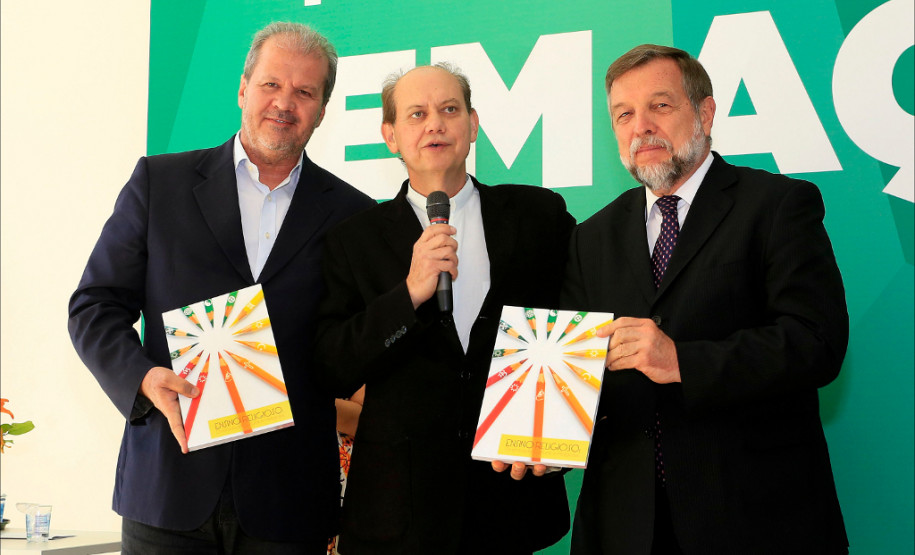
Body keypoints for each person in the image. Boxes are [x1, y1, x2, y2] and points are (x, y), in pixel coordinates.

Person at [68, 22, 375, 554]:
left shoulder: (354, 217)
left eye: (305, 92)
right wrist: (141, 379)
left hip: (289, 500)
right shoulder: (158, 183)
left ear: (323, 110)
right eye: (271, 84)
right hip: (168, 487)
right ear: (242, 88)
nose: (284, 103)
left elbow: (359, 344)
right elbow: (94, 305)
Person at [559, 44, 849, 554]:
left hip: (755, 520)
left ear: (706, 112)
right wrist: (540, 436)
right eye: (624, 114)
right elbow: (575, 370)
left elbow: (815, 342)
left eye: (661, 106)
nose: (641, 126)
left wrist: (681, 361)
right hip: (625, 527)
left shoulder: (778, 205)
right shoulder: (591, 237)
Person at [313, 63, 574, 554]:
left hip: (512, 503)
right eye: (416, 114)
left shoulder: (541, 216)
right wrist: (408, 294)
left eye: (449, 109)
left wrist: (557, 431)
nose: (435, 123)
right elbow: (331, 364)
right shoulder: (354, 240)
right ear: (391, 135)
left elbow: (576, 326)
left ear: (473, 125)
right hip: (398, 513)